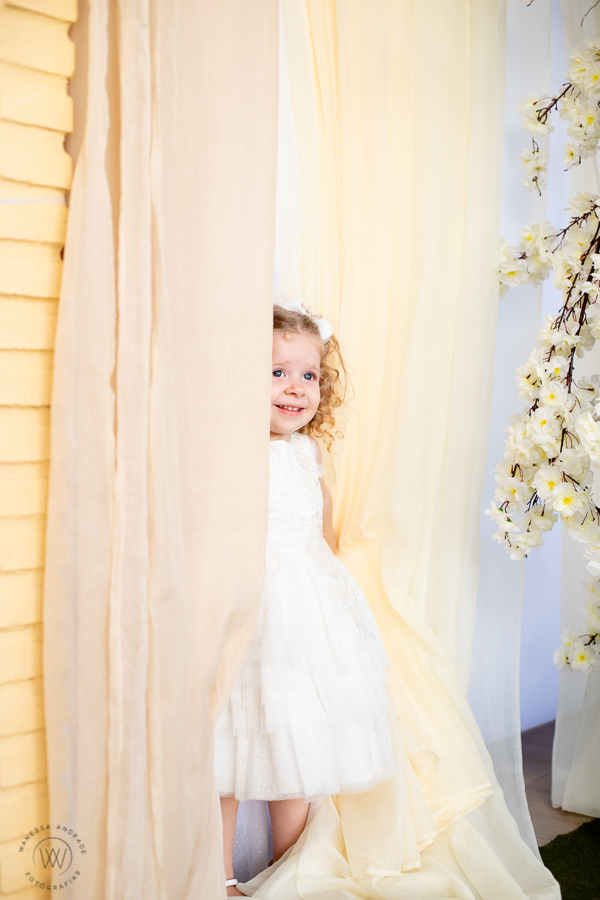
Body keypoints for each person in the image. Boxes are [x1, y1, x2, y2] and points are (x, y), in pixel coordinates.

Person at [214, 301, 561, 900]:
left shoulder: (308, 453)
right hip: (252, 610)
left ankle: (285, 872)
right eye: (276, 372)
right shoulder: (233, 454)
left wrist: (330, 600)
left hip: (305, 620)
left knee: (299, 753)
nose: (296, 388)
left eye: (309, 375)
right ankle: (217, 879)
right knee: (227, 753)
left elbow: (320, 532)